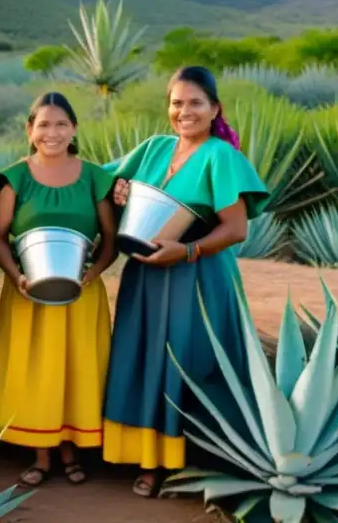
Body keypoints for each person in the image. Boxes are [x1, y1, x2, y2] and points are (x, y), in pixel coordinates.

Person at [100, 66, 270, 498]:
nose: (185, 111)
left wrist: (188, 251)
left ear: (215, 109)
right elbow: (97, 180)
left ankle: (183, 460)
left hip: (197, 275)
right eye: (177, 103)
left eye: (196, 103)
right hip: (146, 275)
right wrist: (118, 189)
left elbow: (235, 229)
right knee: (143, 356)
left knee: (187, 358)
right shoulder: (154, 148)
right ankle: (145, 454)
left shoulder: (221, 156)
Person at [0, 92, 117, 488]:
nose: (52, 133)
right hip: (28, 293)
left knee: (77, 367)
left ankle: (72, 449)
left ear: (74, 129)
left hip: (81, 292)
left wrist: (94, 272)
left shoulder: (95, 177)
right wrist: (17, 277)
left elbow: (110, 238)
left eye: (61, 124)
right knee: (37, 367)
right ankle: (41, 453)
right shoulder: (15, 178)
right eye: (43, 124)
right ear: (30, 130)